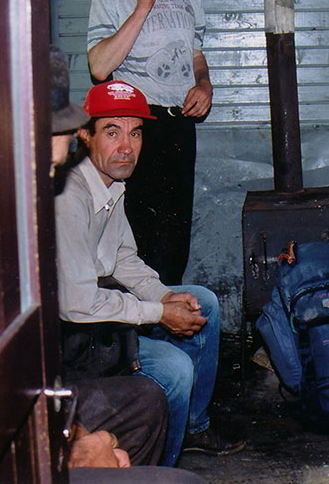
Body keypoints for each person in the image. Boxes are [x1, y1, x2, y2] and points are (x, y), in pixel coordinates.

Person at [54, 79, 244, 467]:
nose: (127, 146)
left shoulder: (112, 183)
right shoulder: (70, 196)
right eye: (112, 131)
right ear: (84, 135)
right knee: (174, 370)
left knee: (202, 301)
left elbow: (124, 259)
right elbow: (79, 304)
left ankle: (193, 426)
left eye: (135, 133)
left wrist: (162, 296)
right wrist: (159, 313)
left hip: (96, 312)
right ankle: (162, 469)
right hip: (70, 333)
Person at [87, 0, 212, 284]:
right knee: (136, 236)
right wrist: (142, 6)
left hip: (178, 125)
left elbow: (195, 54)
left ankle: (167, 319)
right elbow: (99, 67)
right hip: (136, 127)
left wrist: (204, 84)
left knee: (176, 236)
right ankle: (133, 334)